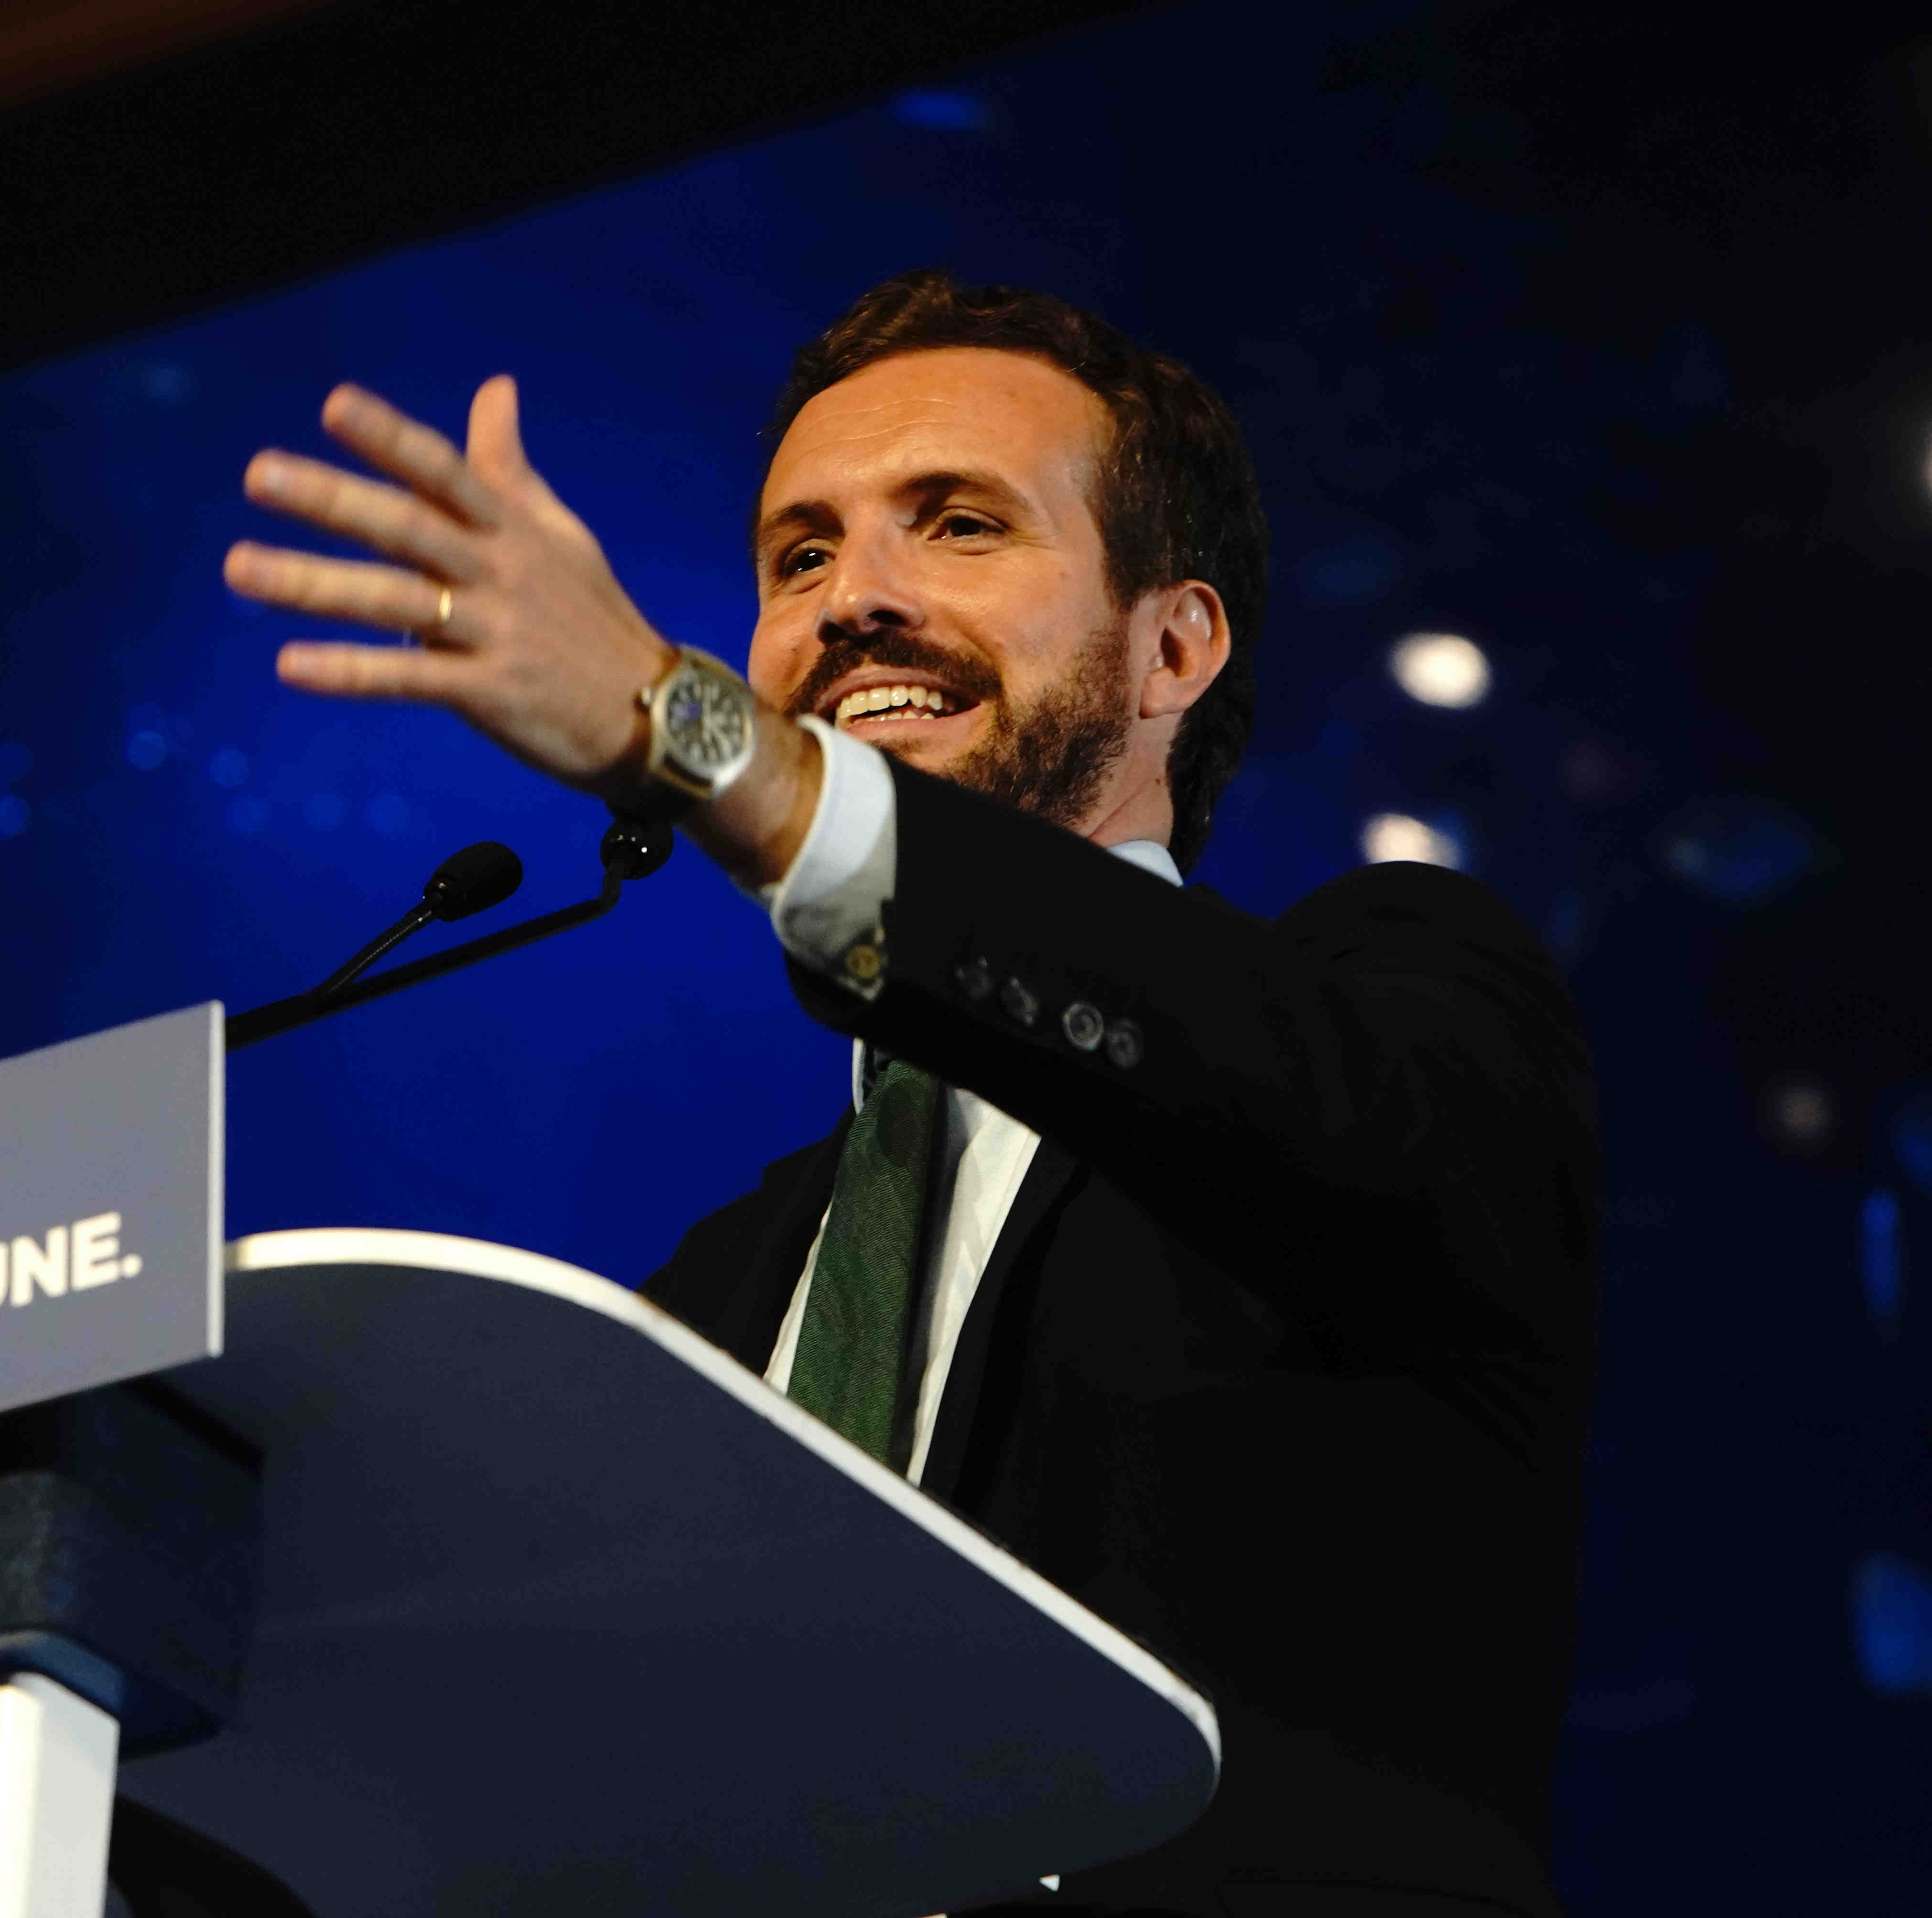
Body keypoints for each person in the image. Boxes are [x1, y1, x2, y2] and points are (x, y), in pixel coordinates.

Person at [222, 270, 1597, 1918]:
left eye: (956, 527)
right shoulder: (710, 1291)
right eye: (800, 555)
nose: (851, 601)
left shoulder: (1397, 1010)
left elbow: (1252, 1074)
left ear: (1176, 645)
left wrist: (690, 732)